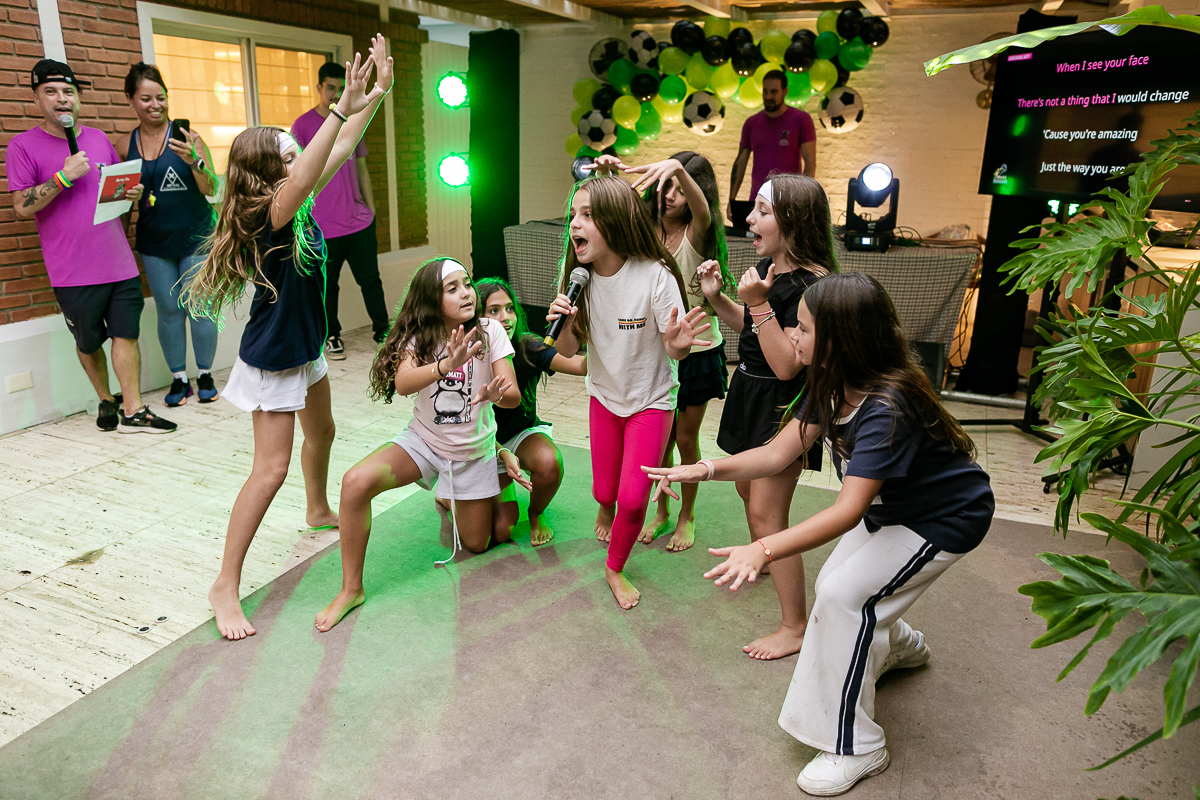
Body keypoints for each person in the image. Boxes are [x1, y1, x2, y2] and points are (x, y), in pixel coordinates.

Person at [646, 272, 994, 796]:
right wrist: (706, 469)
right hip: (896, 508)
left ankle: (858, 744)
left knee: (843, 595)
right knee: (843, 586)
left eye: (802, 328)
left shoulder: (884, 407)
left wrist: (761, 548)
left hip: (944, 518)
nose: (792, 337)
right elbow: (775, 453)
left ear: (836, 341)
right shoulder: (834, 385)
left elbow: (846, 511)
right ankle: (900, 645)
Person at [181, 40, 392, 640]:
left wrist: (371, 98)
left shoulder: (294, 204)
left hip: (306, 347)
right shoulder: (267, 213)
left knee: (322, 432)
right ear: (267, 168)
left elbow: (342, 147)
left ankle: (318, 507)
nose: (297, 152)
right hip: (274, 359)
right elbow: (312, 166)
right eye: (286, 149)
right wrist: (340, 104)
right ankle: (225, 582)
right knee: (268, 469)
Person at [314, 258, 526, 632]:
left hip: (472, 454)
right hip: (424, 444)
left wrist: (497, 394)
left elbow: (513, 397)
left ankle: (457, 490)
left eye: (468, 283)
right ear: (432, 299)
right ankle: (351, 589)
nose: (466, 293)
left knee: (480, 542)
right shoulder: (421, 338)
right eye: (453, 288)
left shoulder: (490, 330)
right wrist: (446, 364)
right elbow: (404, 383)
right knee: (355, 482)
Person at [546, 175, 712, 610]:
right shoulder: (577, 278)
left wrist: (678, 340)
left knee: (633, 499)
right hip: (603, 395)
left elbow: (674, 350)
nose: (574, 226)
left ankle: (614, 568)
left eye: (587, 216)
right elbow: (565, 349)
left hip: (652, 401)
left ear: (616, 221)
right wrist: (563, 320)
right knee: (605, 491)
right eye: (572, 216)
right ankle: (605, 508)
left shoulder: (655, 276)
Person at [701, 174, 835, 660]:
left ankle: (795, 624)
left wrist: (756, 302)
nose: (749, 219)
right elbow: (757, 329)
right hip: (750, 393)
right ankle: (761, 556)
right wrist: (720, 300)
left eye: (761, 210)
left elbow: (786, 362)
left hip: (785, 406)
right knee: (745, 488)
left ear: (794, 221)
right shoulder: (768, 266)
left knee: (767, 513)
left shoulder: (814, 285)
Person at [8, 59, 175, 434]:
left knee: (126, 334)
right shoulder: (22, 146)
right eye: (50, 92)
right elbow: (21, 206)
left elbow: (115, 189)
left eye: (68, 91)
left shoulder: (99, 139)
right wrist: (63, 177)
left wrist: (131, 193)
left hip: (118, 262)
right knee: (88, 341)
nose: (61, 99)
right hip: (71, 270)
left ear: (78, 98)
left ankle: (133, 408)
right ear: (37, 98)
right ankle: (105, 398)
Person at [594, 151, 734, 553]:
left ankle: (687, 515)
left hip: (699, 352)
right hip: (654, 351)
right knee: (660, 442)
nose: (671, 195)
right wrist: (606, 173)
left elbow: (703, 209)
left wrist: (676, 169)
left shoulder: (698, 230)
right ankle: (661, 511)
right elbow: (614, 206)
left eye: (680, 187)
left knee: (685, 440)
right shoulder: (645, 228)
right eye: (667, 185)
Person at [116, 63, 220, 406]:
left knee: (200, 308)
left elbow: (212, 188)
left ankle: (204, 373)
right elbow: (121, 199)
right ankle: (179, 380)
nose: (155, 104)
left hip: (196, 237)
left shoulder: (188, 137)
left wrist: (195, 161)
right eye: (146, 98)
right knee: (169, 310)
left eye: (161, 97)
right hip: (154, 242)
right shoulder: (123, 143)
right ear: (131, 100)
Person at [477, 277, 587, 547]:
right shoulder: (466, 356)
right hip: (480, 442)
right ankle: (448, 495)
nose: (506, 318)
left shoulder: (527, 345)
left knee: (550, 463)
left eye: (510, 308)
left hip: (519, 434)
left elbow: (582, 366)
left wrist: (578, 326)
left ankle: (536, 513)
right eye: (493, 311)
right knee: (500, 530)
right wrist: (500, 452)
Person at [291, 61, 389, 360]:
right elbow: (298, 175)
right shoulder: (303, 125)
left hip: (358, 223)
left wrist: (370, 211)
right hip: (323, 225)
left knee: (370, 280)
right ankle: (331, 336)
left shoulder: (351, 121)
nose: (334, 93)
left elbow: (360, 167)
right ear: (319, 88)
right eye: (330, 87)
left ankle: (384, 332)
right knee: (327, 286)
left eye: (339, 88)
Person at [728, 70, 817, 225]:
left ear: (785, 92)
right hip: (758, 203)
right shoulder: (751, 123)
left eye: (774, 92)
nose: (768, 97)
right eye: (765, 91)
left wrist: (804, 200)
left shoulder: (801, 119)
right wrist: (731, 199)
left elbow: (810, 162)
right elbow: (740, 163)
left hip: (790, 203)